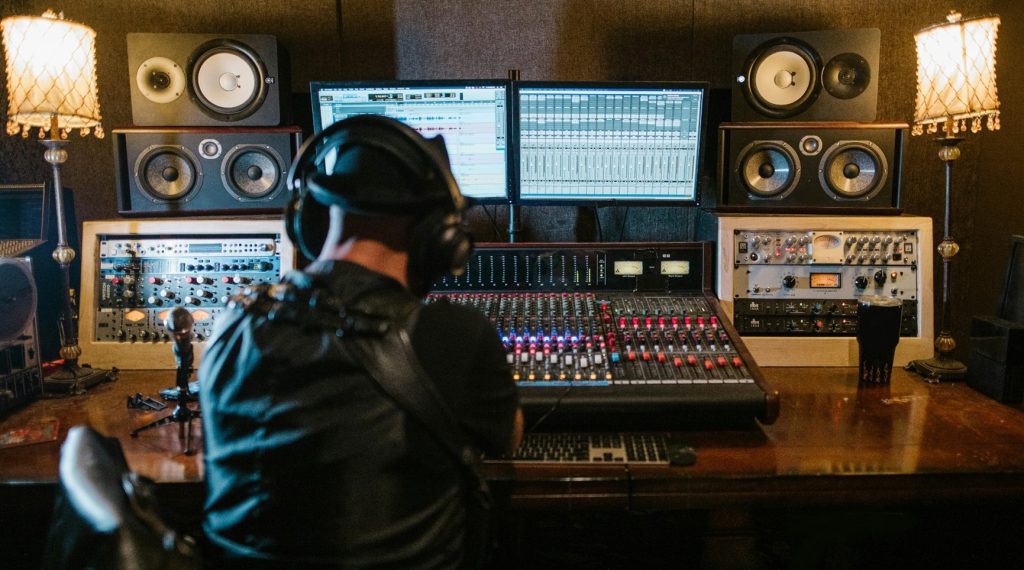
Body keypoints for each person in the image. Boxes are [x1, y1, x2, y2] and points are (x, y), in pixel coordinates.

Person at [199, 114, 523, 568]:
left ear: (310, 219)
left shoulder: (232, 323)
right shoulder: (456, 335)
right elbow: (507, 438)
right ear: (439, 238)